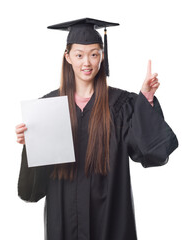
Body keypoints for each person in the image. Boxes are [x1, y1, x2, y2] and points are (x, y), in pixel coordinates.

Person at [16, 18, 178, 240]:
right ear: (68, 57)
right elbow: (32, 191)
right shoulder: (49, 107)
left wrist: (146, 100)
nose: (87, 62)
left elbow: (149, 152)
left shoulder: (121, 105)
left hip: (110, 220)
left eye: (94, 54)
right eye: (79, 55)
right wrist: (31, 144)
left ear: (102, 56)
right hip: (64, 222)